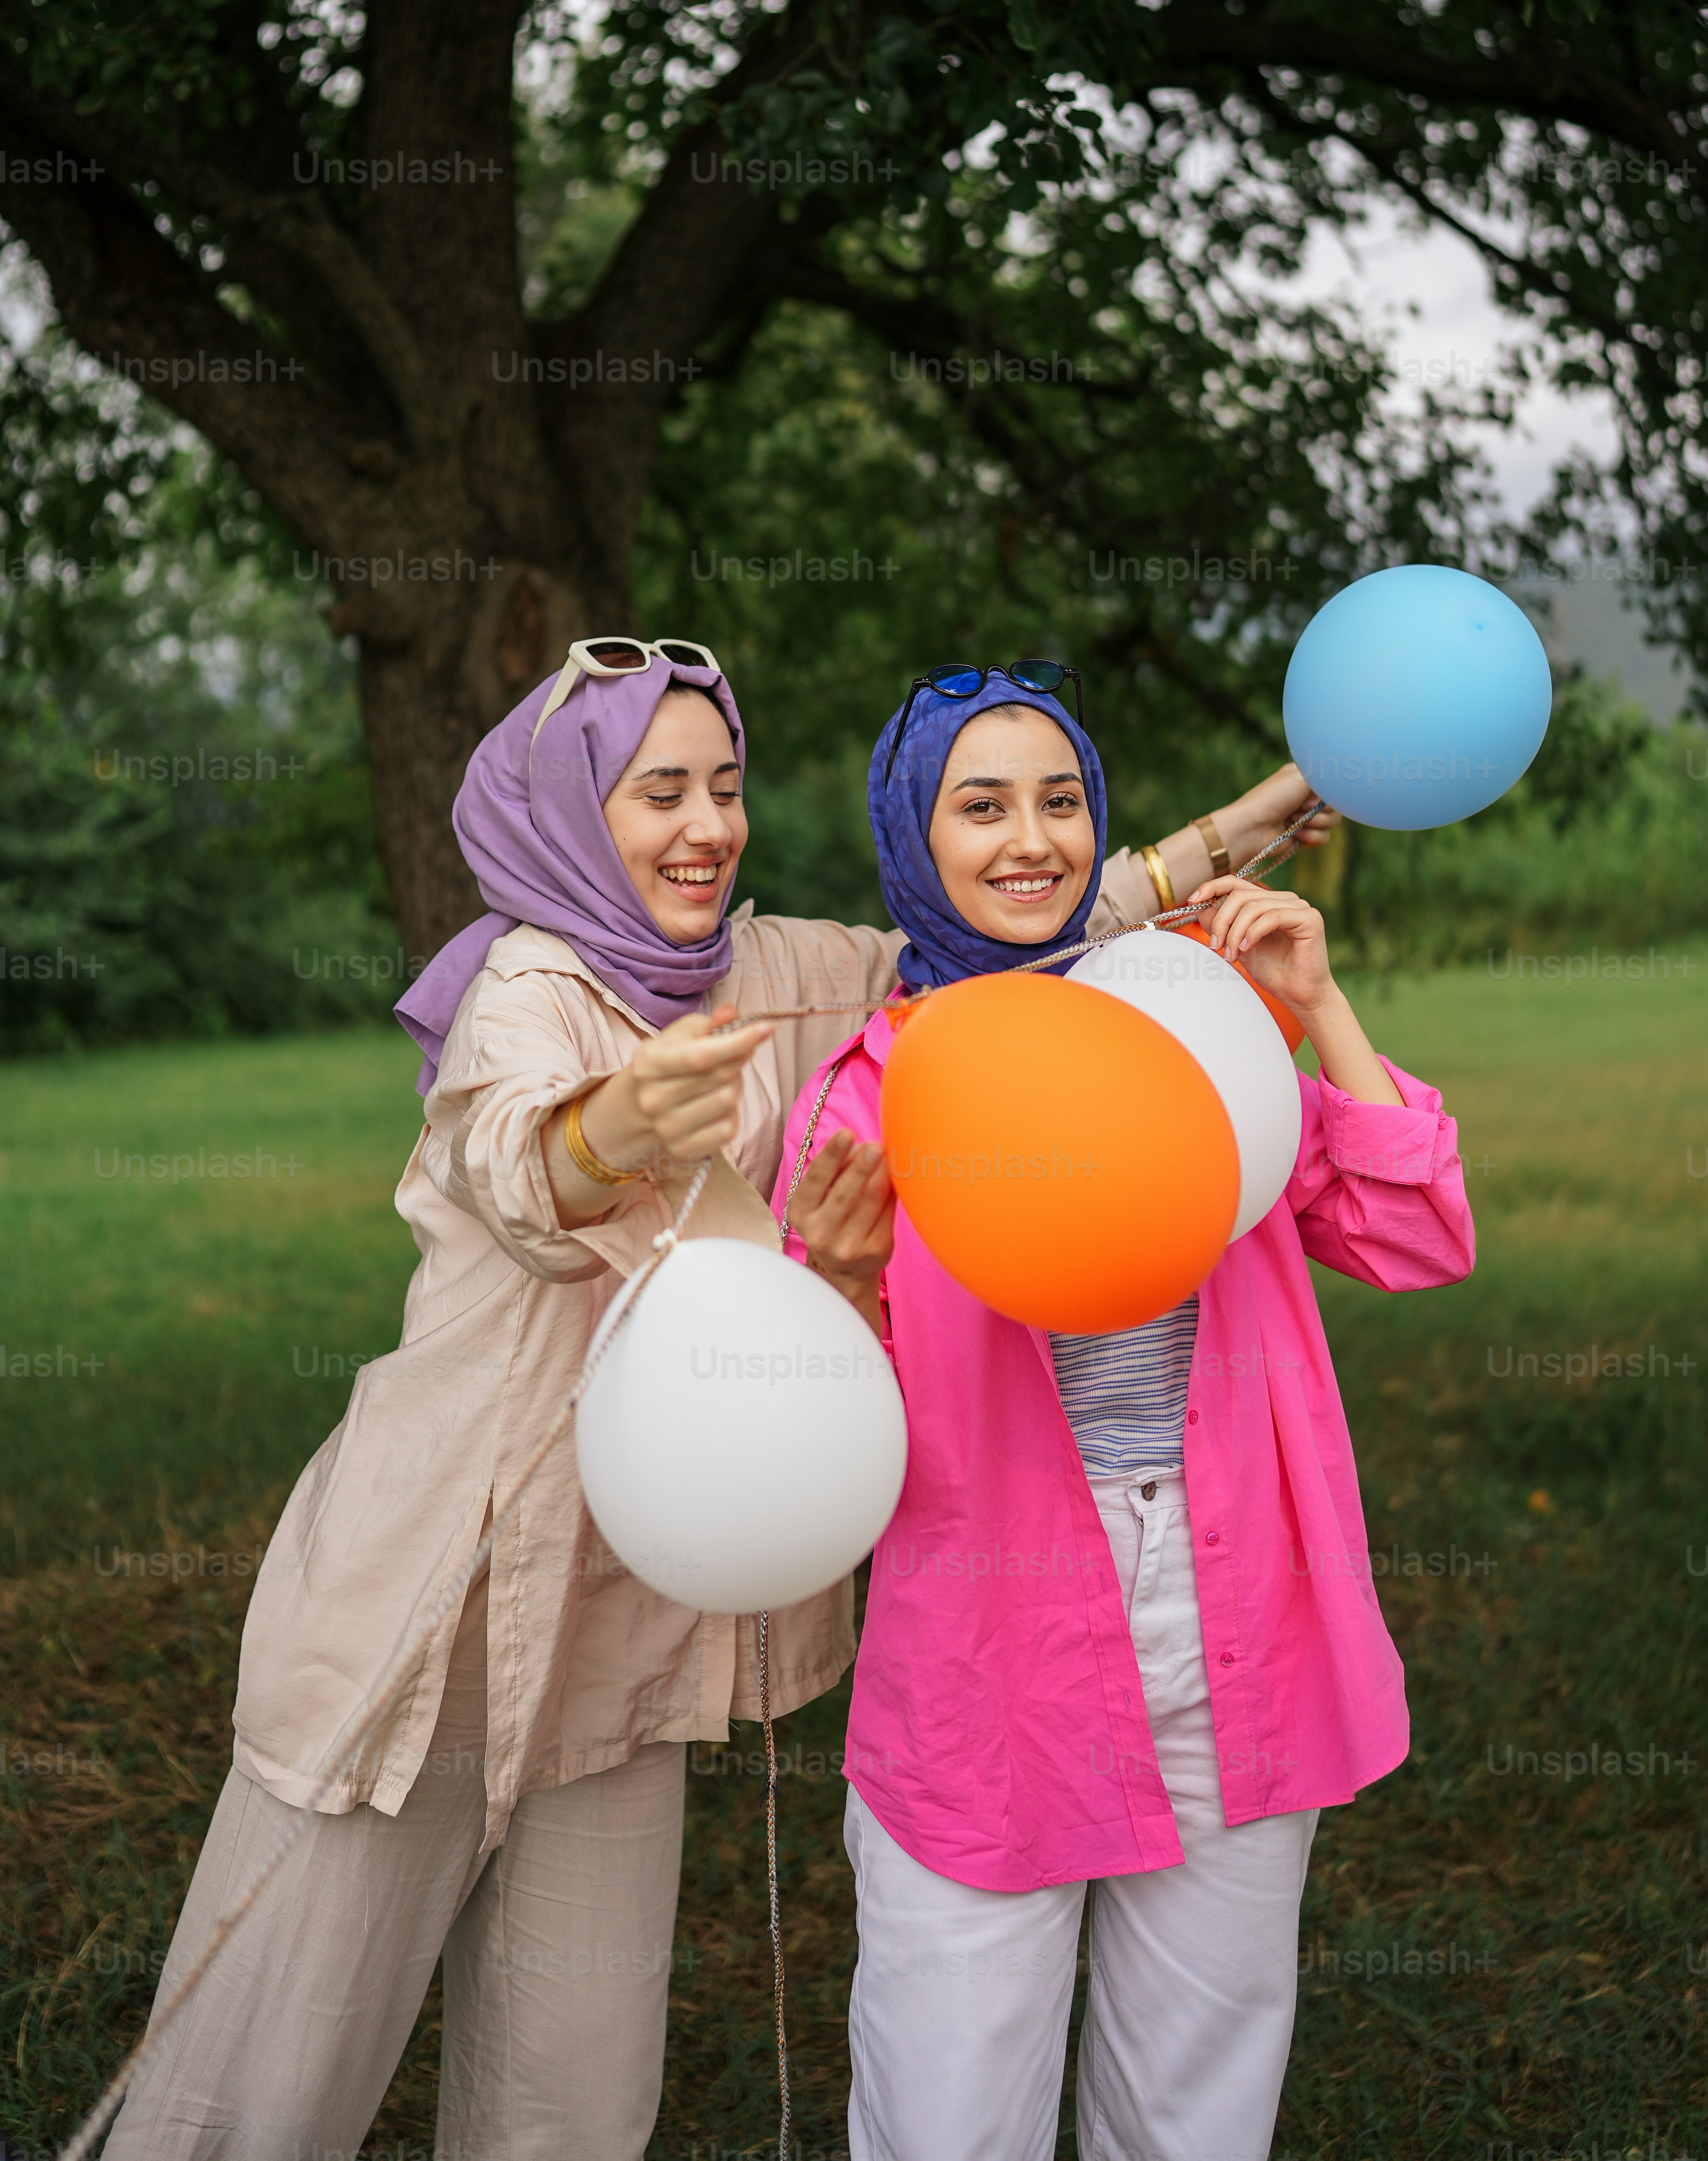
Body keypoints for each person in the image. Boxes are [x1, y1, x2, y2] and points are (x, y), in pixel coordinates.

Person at [105, 637, 1326, 2161]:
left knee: (574, 2094)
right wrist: (615, 1122)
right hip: (437, 1602)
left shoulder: (776, 975)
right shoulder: (523, 989)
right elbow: (520, 1167)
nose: (706, 827)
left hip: (642, 1607)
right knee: (271, 2068)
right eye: (659, 792)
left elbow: (1019, 926)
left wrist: (1250, 820)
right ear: (572, 812)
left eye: (726, 789)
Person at [773, 666, 1476, 2161]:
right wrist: (833, 1281)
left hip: (1242, 1602)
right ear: (913, 836)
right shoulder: (866, 1093)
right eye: (981, 807)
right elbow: (806, 1463)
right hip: (991, 1637)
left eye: (1061, 801)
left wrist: (1318, 1007)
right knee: (951, 2105)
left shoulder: (1190, 1025)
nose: (1030, 840)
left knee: (1197, 2099)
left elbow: (1416, 1237)